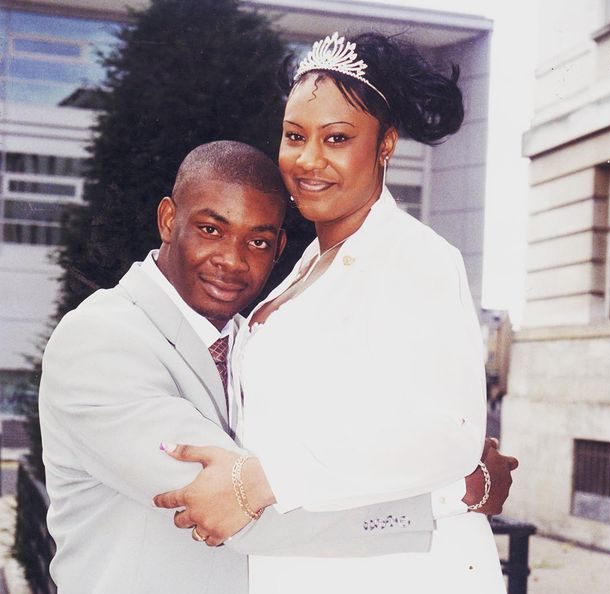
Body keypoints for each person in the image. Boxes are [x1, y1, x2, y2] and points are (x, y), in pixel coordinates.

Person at [39, 140, 511, 594]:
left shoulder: (250, 345)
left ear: (280, 247)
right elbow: (235, 508)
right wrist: (448, 495)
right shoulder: (101, 341)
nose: (232, 260)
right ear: (168, 219)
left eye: (258, 242)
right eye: (211, 230)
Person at [154, 33, 518, 593]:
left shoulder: (413, 257)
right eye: (295, 136)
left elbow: (448, 436)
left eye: (337, 138)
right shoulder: (307, 265)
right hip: (304, 563)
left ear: (385, 144)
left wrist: (260, 482)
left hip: (395, 573)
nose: (308, 160)